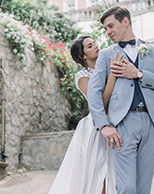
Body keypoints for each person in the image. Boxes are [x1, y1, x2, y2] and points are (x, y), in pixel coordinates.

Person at [87, 5, 154, 194]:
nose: (108, 32)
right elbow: (94, 92)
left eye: (111, 26)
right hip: (122, 124)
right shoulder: (105, 55)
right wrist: (104, 126)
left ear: (126, 21)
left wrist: (139, 74)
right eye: (105, 28)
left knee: (144, 187)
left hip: (152, 123)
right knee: (127, 187)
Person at [49, 35, 122, 194]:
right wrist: (113, 76)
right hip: (96, 128)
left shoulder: (109, 66)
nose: (96, 46)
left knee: (117, 173)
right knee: (99, 172)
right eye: (90, 46)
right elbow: (100, 102)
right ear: (82, 56)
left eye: (94, 43)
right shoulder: (83, 77)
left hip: (118, 122)